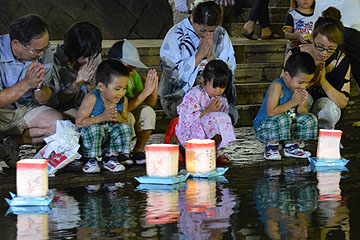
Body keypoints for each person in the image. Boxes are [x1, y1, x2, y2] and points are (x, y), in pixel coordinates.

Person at [159, 1, 239, 125]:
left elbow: (229, 71)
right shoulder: (176, 35)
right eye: (202, 30)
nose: (207, 34)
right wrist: (199, 56)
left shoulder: (221, 34)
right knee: (193, 113)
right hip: (180, 96)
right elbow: (173, 76)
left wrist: (211, 56)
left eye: (211, 31)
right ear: (192, 18)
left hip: (213, 94)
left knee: (228, 115)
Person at [0, 14, 63, 166]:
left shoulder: (43, 53)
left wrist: (39, 87)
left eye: (44, 48)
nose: (41, 54)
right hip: (2, 111)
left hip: (25, 109)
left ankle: (11, 144)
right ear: (16, 44)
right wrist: (26, 84)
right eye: (36, 51)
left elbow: (45, 97)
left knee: (60, 126)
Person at [285, 17, 351, 130]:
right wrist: (310, 81)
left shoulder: (341, 60)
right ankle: (297, 136)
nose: (324, 53)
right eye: (320, 47)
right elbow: (282, 88)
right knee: (302, 98)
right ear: (312, 38)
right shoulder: (296, 54)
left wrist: (323, 81)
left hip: (326, 104)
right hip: (302, 103)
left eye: (331, 49)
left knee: (328, 108)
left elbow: (342, 102)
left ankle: (325, 137)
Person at [253, 52, 317, 160]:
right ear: (286, 75)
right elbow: (271, 112)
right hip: (266, 129)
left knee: (310, 118)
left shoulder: (299, 89)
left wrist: (301, 104)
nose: (304, 86)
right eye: (301, 82)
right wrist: (292, 102)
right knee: (283, 118)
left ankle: (292, 146)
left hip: (286, 130)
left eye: (307, 83)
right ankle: (271, 148)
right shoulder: (277, 86)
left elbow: (303, 113)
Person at [76, 59, 132, 173]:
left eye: (124, 88)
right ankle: (90, 160)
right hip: (90, 141)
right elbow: (79, 122)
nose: (121, 93)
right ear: (101, 86)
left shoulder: (122, 100)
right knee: (96, 129)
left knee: (125, 128)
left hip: (107, 141)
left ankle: (111, 158)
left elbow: (125, 121)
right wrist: (101, 117)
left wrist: (118, 118)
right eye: (117, 89)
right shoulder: (92, 98)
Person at [107, 40, 159, 165]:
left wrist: (153, 89)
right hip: (112, 117)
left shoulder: (133, 75)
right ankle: (120, 153)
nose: (132, 70)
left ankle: (138, 151)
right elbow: (122, 108)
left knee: (148, 112)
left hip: (127, 111)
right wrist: (145, 92)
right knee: (128, 117)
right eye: (129, 66)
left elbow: (150, 104)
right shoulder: (109, 76)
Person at [176, 60, 235, 163]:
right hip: (189, 132)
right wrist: (208, 111)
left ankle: (212, 151)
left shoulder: (222, 98)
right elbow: (186, 119)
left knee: (223, 120)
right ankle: (196, 151)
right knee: (215, 118)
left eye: (222, 87)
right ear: (203, 80)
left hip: (207, 132)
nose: (218, 91)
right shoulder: (194, 94)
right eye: (214, 86)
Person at [48, 22, 102, 118]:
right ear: (72, 50)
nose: (87, 60)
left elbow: (98, 95)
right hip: (62, 112)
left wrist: (90, 84)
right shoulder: (53, 63)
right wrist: (76, 83)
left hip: (88, 108)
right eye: (84, 56)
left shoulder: (92, 57)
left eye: (90, 55)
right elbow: (53, 103)